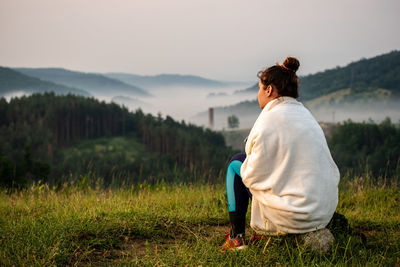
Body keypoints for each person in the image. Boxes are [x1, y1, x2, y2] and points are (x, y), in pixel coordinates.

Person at [221, 56, 340, 251]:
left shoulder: (267, 120)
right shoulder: (307, 117)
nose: (258, 94)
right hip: (322, 212)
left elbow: (251, 175)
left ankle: (236, 238)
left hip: (292, 216)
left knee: (236, 164)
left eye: (260, 89)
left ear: (269, 90)